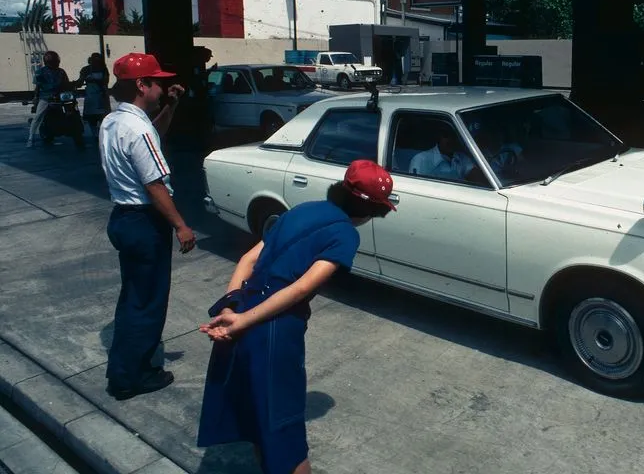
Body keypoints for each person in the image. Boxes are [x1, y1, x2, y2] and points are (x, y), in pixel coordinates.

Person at [196, 159, 396, 474]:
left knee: (259, 424)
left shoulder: (302, 209)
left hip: (242, 311)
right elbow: (301, 288)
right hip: (273, 332)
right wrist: (244, 322)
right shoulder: (345, 234)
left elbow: (248, 259)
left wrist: (229, 309)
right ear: (372, 210)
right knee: (286, 438)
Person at [99, 52, 196, 400]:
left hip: (123, 219)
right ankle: (131, 378)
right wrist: (181, 225)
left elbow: (153, 134)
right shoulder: (137, 130)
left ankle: (123, 368)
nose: (163, 87)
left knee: (133, 298)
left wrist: (172, 105)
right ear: (142, 85)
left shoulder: (114, 121)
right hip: (144, 223)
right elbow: (154, 185)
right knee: (147, 303)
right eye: (158, 82)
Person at [27, 50, 72, 147]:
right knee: (38, 116)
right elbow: (38, 86)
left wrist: (71, 88)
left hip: (60, 96)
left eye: (56, 61)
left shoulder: (61, 71)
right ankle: (31, 138)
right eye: (53, 61)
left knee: (70, 109)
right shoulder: (40, 72)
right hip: (46, 97)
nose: (55, 63)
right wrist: (36, 97)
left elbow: (66, 83)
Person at [409, 125, 476, 180]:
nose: (451, 140)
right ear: (439, 137)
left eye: (454, 136)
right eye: (446, 135)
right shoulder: (420, 160)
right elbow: (415, 187)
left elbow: (477, 177)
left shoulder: (462, 158)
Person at [75, 52, 111, 138]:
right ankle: (96, 134)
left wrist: (93, 80)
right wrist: (75, 84)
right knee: (92, 117)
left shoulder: (103, 69)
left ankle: (100, 134)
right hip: (92, 95)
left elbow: (105, 81)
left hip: (101, 95)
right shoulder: (86, 69)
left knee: (102, 117)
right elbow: (80, 81)